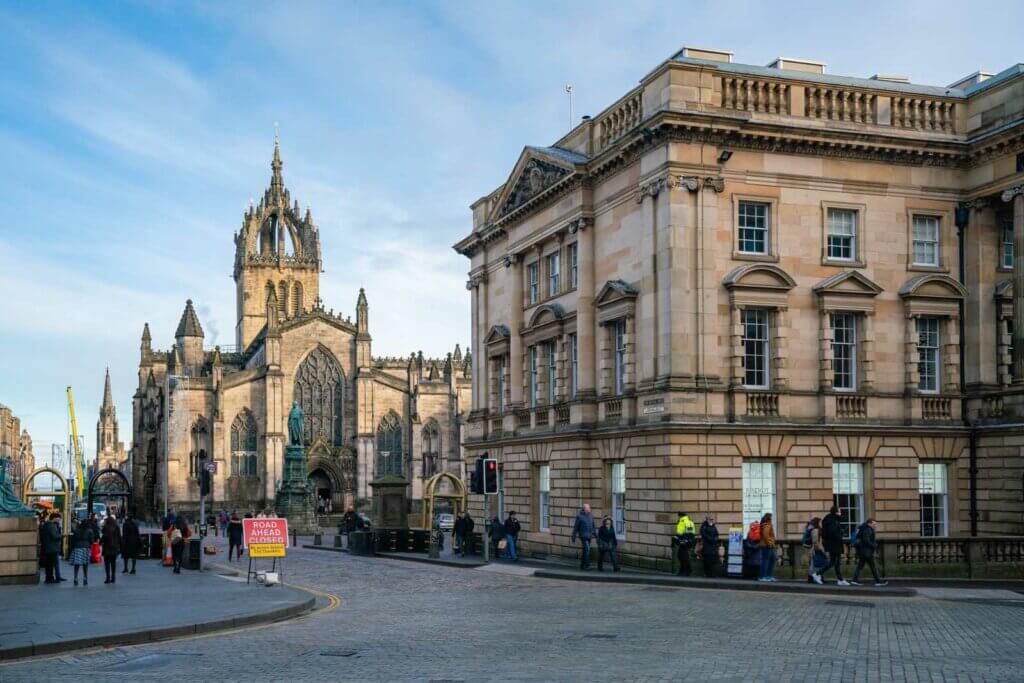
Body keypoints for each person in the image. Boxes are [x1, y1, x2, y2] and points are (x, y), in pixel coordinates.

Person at [850, 518, 888, 587]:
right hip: (867, 552)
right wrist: (874, 545)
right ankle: (878, 582)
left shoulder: (864, 528)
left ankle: (854, 581)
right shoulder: (868, 530)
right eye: (874, 524)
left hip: (863, 551)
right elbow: (866, 540)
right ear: (869, 524)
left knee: (860, 567)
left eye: (875, 524)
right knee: (873, 567)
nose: (875, 525)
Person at [820, 505, 849, 586]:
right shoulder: (831, 521)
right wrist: (841, 534)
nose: (840, 513)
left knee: (836, 563)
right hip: (834, 544)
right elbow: (833, 533)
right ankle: (818, 574)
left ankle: (840, 579)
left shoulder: (833, 520)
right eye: (839, 511)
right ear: (835, 512)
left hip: (835, 544)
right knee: (833, 562)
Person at [68, 518, 94, 586]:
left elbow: (73, 540)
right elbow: (92, 540)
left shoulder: (77, 530)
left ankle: (75, 578)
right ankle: (85, 578)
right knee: (85, 564)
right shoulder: (89, 530)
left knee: (77, 564)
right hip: (86, 548)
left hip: (77, 547)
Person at [38, 513, 62, 584]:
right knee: (51, 564)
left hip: (48, 547)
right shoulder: (51, 526)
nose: (59, 520)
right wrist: (61, 536)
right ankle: (50, 578)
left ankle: (49, 578)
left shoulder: (46, 525)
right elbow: (54, 536)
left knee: (49, 564)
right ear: (54, 518)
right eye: (58, 518)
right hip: (52, 548)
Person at [571, 504, 596, 570]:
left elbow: (593, 527)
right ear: (585, 509)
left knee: (585, 551)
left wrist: (596, 535)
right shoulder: (579, 517)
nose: (590, 508)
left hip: (589, 536)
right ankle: (587, 565)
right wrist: (573, 536)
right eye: (589, 508)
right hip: (583, 536)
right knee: (587, 549)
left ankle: (582, 565)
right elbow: (576, 527)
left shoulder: (591, 516)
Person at [674, 511, 696, 576]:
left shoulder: (684, 522)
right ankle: (683, 570)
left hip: (684, 541)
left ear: (680, 516)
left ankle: (686, 570)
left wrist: (682, 540)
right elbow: (688, 532)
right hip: (685, 541)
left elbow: (683, 533)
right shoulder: (687, 522)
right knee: (681, 556)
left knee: (683, 556)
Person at [805, 516, 827, 585]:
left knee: (815, 564)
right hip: (816, 550)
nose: (821, 523)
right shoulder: (815, 530)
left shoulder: (818, 530)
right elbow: (815, 542)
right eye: (820, 522)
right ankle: (812, 578)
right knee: (816, 564)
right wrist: (821, 549)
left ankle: (814, 578)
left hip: (816, 549)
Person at [101, 516, 122, 584]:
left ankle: (108, 578)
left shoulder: (106, 528)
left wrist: (100, 542)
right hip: (114, 548)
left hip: (107, 547)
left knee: (107, 564)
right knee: (113, 563)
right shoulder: (117, 527)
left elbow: (104, 537)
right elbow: (119, 537)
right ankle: (113, 577)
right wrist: (120, 546)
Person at [758, 513, 777, 582]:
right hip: (767, 546)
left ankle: (769, 576)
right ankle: (763, 576)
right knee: (766, 561)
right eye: (771, 517)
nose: (772, 519)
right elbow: (765, 535)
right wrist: (770, 543)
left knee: (772, 560)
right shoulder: (767, 525)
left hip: (768, 545)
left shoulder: (767, 524)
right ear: (769, 518)